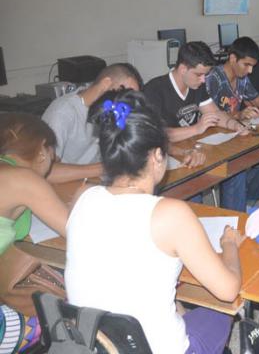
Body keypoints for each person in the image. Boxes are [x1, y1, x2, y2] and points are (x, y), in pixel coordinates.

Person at [65, 90, 244, 353]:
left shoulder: (83, 197)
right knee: (224, 309)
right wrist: (230, 246)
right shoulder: (170, 214)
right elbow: (228, 290)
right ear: (157, 157)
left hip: (97, 345)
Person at [0, 113, 68, 351]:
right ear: (42, 150)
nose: (54, 159)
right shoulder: (23, 179)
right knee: (70, 313)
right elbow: (77, 232)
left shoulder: (8, 173)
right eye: (52, 153)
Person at [205, 37, 259, 210]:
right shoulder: (213, 78)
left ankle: (244, 204)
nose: (249, 71)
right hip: (214, 138)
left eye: (252, 67)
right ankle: (236, 210)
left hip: (238, 134)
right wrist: (239, 114)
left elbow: (258, 100)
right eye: (246, 65)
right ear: (233, 58)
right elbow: (208, 117)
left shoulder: (241, 78)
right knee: (237, 170)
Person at [41, 63, 142, 183]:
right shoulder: (63, 112)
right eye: (125, 93)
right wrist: (103, 168)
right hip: (66, 188)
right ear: (106, 84)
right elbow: (46, 172)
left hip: (95, 183)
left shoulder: (112, 111)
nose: (127, 101)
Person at [144, 41, 248, 143]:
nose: (203, 80)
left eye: (205, 75)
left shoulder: (197, 85)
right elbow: (158, 134)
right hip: (166, 153)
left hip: (191, 145)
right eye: (199, 75)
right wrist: (196, 129)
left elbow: (215, 114)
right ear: (183, 69)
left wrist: (235, 125)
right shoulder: (154, 90)